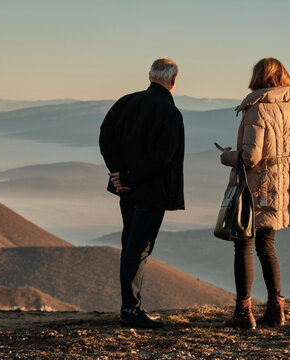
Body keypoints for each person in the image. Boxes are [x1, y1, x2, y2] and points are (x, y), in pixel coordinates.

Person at [220, 58, 290, 329]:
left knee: (243, 244)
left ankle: (243, 313)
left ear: (258, 77)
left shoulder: (257, 110)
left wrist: (226, 156)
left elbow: (250, 157)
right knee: (267, 247)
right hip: (282, 187)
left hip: (255, 187)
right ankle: (276, 309)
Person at [99, 58, 185, 328]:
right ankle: (131, 309)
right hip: (152, 191)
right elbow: (163, 158)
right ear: (174, 80)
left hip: (128, 190)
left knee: (130, 244)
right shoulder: (170, 114)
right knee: (140, 247)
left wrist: (119, 174)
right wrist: (128, 177)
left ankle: (130, 306)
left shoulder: (126, 102)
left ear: (150, 76)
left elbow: (105, 137)